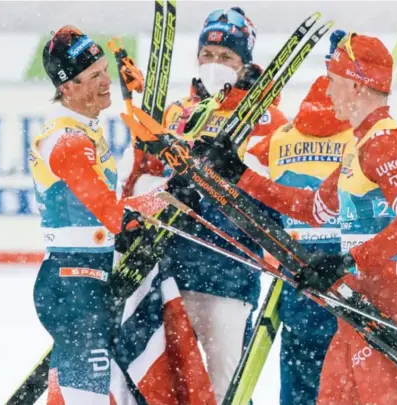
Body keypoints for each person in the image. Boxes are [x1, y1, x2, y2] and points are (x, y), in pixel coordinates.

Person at [194, 32, 397, 405]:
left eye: (334, 82)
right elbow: (313, 208)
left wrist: (349, 259)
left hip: (383, 300)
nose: (328, 91)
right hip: (354, 298)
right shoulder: (359, 143)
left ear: (356, 85)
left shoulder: (385, 142)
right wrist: (238, 174)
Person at [117, 7, 288, 403]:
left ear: (244, 62)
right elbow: (142, 180)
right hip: (174, 273)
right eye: (207, 56)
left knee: (226, 386)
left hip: (232, 273)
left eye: (226, 57)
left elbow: (273, 195)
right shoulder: (177, 114)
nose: (215, 65)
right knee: (169, 383)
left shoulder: (269, 120)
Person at [30, 26, 139, 403]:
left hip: (82, 280)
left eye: (104, 70)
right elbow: (106, 207)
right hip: (74, 283)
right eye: (94, 76)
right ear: (67, 87)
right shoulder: (67, 138)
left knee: (80, 394)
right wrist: (130, 220)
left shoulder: (87, 132)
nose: (106, 81)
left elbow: (113, 205)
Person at [248, 30, 352, 405]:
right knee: (352, 378)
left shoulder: (281, 137)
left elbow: (256, 173)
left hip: (298, 268)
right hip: (348, 268)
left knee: (301, 376)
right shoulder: (364, 136)